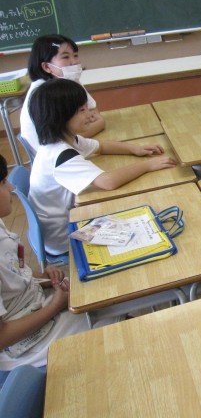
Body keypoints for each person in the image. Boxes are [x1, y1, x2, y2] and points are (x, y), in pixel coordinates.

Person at [28, 79, 176, 256]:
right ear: (61, 117)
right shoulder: (59, 155)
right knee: (143, 225)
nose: (90, 115)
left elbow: (101, 146)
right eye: (82, 110)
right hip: (63, 238)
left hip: (66, 220)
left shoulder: (66, 140)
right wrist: (147, 165)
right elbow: (108, 182)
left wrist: (135, 149)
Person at [0, 154, 110, 387]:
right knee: (111, 322)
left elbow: (11, 275)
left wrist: (40, 277)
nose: (10, 188)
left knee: (103, 293)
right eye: (2, 183)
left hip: (36, 303)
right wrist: (55, 307)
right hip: (25, 344)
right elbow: (2, 336)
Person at [20, 34, 105, 154]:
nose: (74, 62)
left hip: (74, 148)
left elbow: (93, 111)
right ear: (46, 66)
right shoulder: (46, 94)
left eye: (75, 55)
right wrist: (100, 123)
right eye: (66, 57)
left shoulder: (68, 81)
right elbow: (75, 136)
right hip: (58, 155)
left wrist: (95, 121)